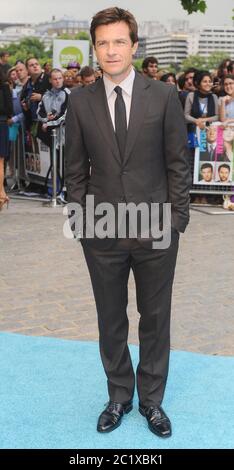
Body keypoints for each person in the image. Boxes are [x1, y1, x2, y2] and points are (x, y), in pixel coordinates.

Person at [65, 7, 190, 438]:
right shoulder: (79, 101)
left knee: (155, 316)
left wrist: (177, 220)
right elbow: (74, 169)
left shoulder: (164, 96)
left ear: (134, 46)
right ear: (95, 48)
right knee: (110, 318)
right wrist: (81, 222)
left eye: (119, 41)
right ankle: (119, 396)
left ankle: (151, 400)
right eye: (103, 42)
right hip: (101, 230)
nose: (111, 50)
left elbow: (178, 163)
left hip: (157, 227)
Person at [0, 68, 13, 209]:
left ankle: (2, 195)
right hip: (1, 124)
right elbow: (10, 109)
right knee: (0, 162)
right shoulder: (4, 87)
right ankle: (1, 196)